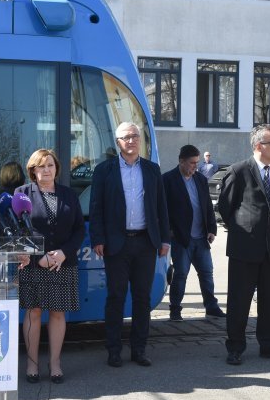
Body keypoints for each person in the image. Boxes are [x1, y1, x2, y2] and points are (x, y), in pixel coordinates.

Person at [89, 122, 170, 368]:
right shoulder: (104, 170)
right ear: (118, 142)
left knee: (142, 298)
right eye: (126, 137)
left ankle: (139, 350)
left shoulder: (152, 169)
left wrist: (164, 238)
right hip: (116, 243)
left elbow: (161, 207)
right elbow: (96, 207)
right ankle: (114, 350)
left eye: (135, 136)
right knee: (115, 297)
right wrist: (98, 238)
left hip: (146, 242)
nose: (132, 141)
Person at [217, 124, 270, 365]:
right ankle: (235, 346)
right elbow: (225, 208)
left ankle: (268, 345)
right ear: (259, 146)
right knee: (239, 301)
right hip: (244, 248)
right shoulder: (239, 171)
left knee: (269, 302)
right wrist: (243, 229)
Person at [15, 149, 84, 384]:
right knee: (33, 312)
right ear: (32, 170)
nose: (47, 170)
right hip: (32, 264)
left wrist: (63, 253)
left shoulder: (68, 194)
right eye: (41, 166)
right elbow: (17, 232)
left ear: (57, 169)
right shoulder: (22, 193)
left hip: (62, 263)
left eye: (51, 166)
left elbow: (79, 230)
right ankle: (32, 364)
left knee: (57, 313)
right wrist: (37, 258)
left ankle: (55, 363)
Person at [162, 145, 225, 322]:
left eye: (197, 163)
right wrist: (169, 232)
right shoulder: (167, 180)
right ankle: (175, 309)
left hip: (201, 237)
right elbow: (162, 209)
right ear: (181, 161)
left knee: (207, 273)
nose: (195, 166)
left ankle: (211, 306)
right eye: (191, 163)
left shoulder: (200, 179)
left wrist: (212, 229)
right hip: (181, 238)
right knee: (180, 274)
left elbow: (207, 207)